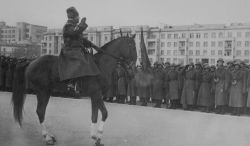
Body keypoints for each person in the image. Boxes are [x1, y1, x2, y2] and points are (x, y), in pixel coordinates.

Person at [59, 7, 100, 85]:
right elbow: (75, 33)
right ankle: (71, 82)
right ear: (74, 17)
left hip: (77, 50)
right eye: (78, 17)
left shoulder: (75, 27)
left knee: (90, 59)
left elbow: (81, 39)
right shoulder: (68, 26)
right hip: (70, 50)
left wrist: (94, 46)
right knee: (82, 61)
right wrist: (82, 24)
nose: (79, 18)